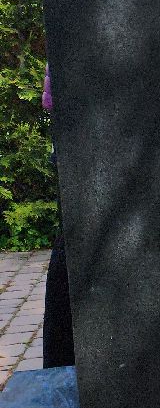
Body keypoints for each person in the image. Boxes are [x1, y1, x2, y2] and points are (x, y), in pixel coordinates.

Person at [40, 65, 74, 368]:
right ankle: (60, 363)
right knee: (72, 244)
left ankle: (59, 362)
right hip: (77, 137)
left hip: (73, 133)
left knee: (70, 243)